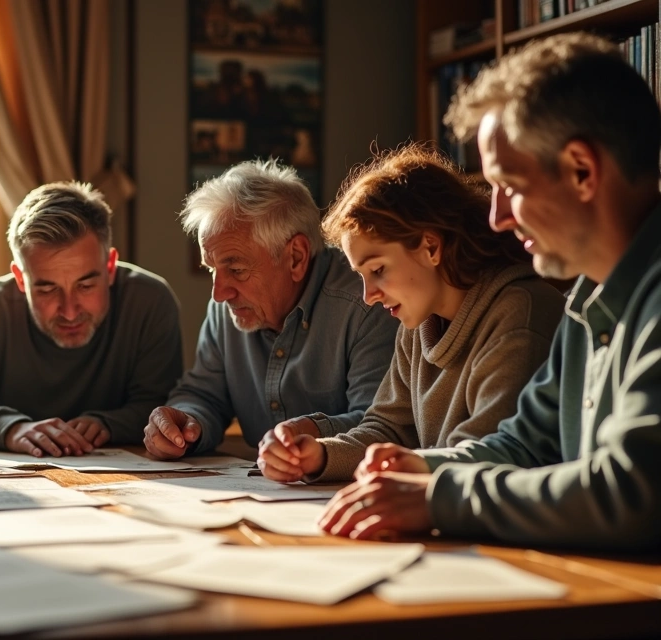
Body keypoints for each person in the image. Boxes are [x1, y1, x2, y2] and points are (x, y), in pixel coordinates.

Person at [320, 32, 661, 551]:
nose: (498, 217)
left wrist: (439, 498)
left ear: (581, 171)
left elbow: (632, 493)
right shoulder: (586, 301)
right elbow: (525, 444)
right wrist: (422, 468)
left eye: (511, 186)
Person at [258, 144, 564, 483]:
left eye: (378, 270)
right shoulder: (419, 321)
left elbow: (491, 456)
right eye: (361, 276)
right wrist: (321, 455)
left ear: (430, 247)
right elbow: (390, 427)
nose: (368, 296)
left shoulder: (518, 315)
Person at [144, 159, 399, 460]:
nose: (219, 293)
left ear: (296, 257)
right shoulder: (227, 305)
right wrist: (186, 423)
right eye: (211, 269)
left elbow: (382, 426)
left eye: (236, 269)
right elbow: (203, 394)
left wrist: (312, 433)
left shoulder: (368, 303)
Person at [0, 181, 183, 456]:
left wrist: (109, 424)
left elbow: (163, 405)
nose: (69, 311)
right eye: (47, 289)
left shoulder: (150, 302)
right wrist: (9, 429)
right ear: (20, 278)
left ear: (110, 267)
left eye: (85, 286)